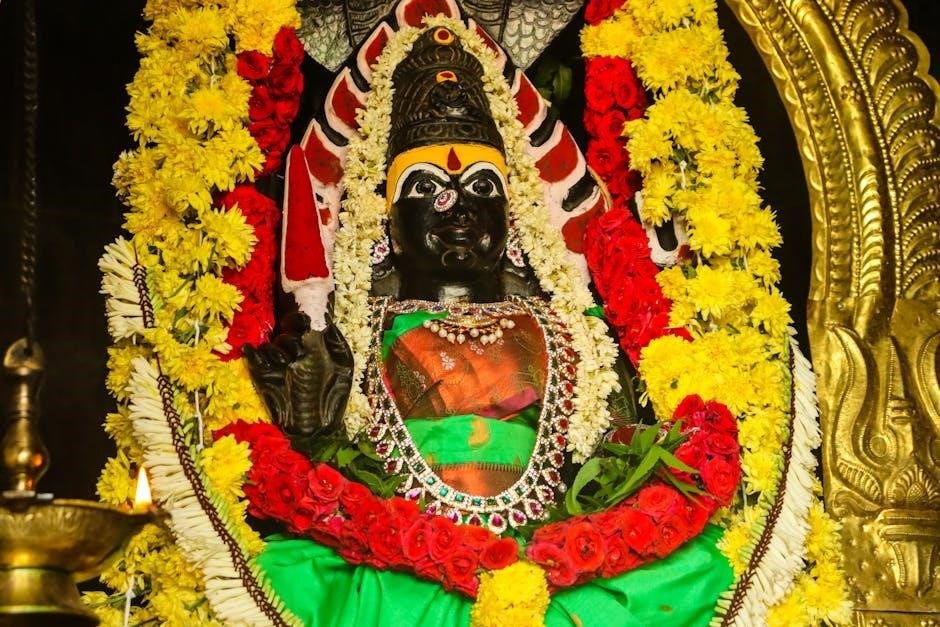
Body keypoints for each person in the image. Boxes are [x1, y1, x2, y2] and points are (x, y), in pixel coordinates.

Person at [243, 24, 733, 627]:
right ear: (387, 217)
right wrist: (311, 432)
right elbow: (330, 481)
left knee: (707, 564)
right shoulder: (352, 333)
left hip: (557, 561)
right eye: (426, 187)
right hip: (401, 563)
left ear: (512, 212)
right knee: (281, 573)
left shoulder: (574, 328)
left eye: (483, 186)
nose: (460, 206)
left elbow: (610, 453)